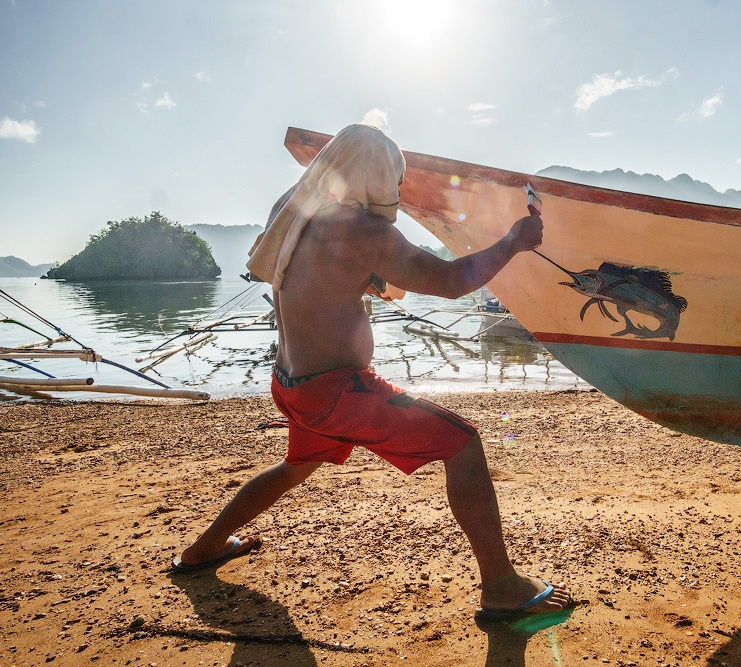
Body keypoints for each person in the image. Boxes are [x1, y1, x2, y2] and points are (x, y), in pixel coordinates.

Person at [171, 123, 572, 622]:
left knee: (296, 467)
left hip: (291, 385)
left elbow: (318, 280)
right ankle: (502, 588)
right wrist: (512, 240)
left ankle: (203, 548)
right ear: (378, 177)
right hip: (340, 393)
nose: (398, 190)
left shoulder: (293, 211)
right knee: (462, 444)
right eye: (395, 178)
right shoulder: (363, 232)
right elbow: (449, 281)